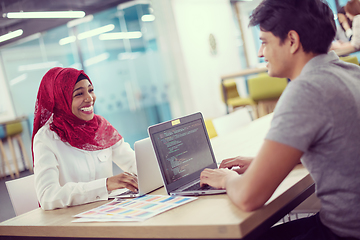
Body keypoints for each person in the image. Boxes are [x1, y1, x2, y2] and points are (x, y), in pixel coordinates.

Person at [200, 0, 360, 239]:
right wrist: (263, 163)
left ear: (292, 41)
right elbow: (342, 151)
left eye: (264, 42)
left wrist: (228, 179)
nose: (259, 52)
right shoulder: (351, 73)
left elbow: (248, 197)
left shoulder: (306, 90)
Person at [32, 67, 138, 210]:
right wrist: (105, 184)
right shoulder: (46, 138)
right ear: (60, 99)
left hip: (110, 212)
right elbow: (48, 196)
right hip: (72, 221)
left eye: (91, 90)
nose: (89, 98)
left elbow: (134, 163)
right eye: (79, 94)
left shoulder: (101, 126)